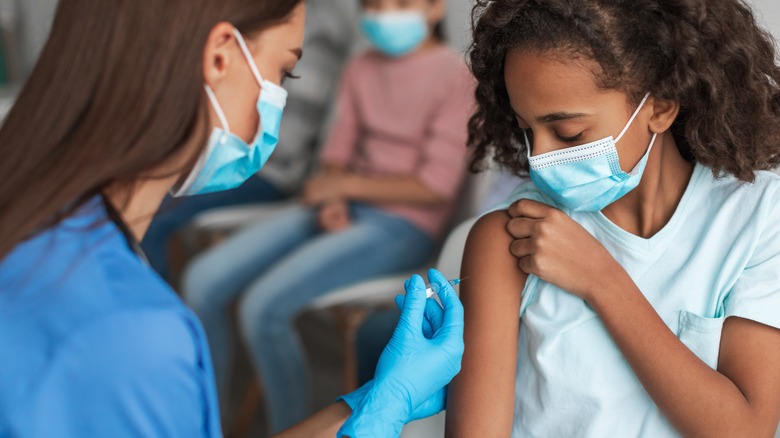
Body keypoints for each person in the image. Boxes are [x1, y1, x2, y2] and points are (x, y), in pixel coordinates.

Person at [0, 1, 464, 437]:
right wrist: (380, 416)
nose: (278, 98)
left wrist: (368, 404)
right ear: (221, 57)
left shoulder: (45, 234)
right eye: (285, 70)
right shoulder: (136, 337)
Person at [446, 0, 780, 436]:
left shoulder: (755, 217)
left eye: (568, 132)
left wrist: (602, 280)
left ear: (660, 106)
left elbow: (745, 430)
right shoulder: (509, 237)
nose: (540, 158)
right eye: (528, 130)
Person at [181, 0, 474, 431]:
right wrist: (334, 195)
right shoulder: (361, 68)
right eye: (375, 4)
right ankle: (209, 419)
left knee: (262, 308)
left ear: (434, 8)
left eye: (400, 3)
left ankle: (293, 425)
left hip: (402, 225)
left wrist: (343, 187)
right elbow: (338, 153)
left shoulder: (456, 78)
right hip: (339, 205)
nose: (385, 13)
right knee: (201, 279)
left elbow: (432, 187)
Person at [140, 0, 359, 281]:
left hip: (271, 173)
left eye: (286, 73)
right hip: (223, 145)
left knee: (158, 219)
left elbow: (284, 143)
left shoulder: (322, 28)